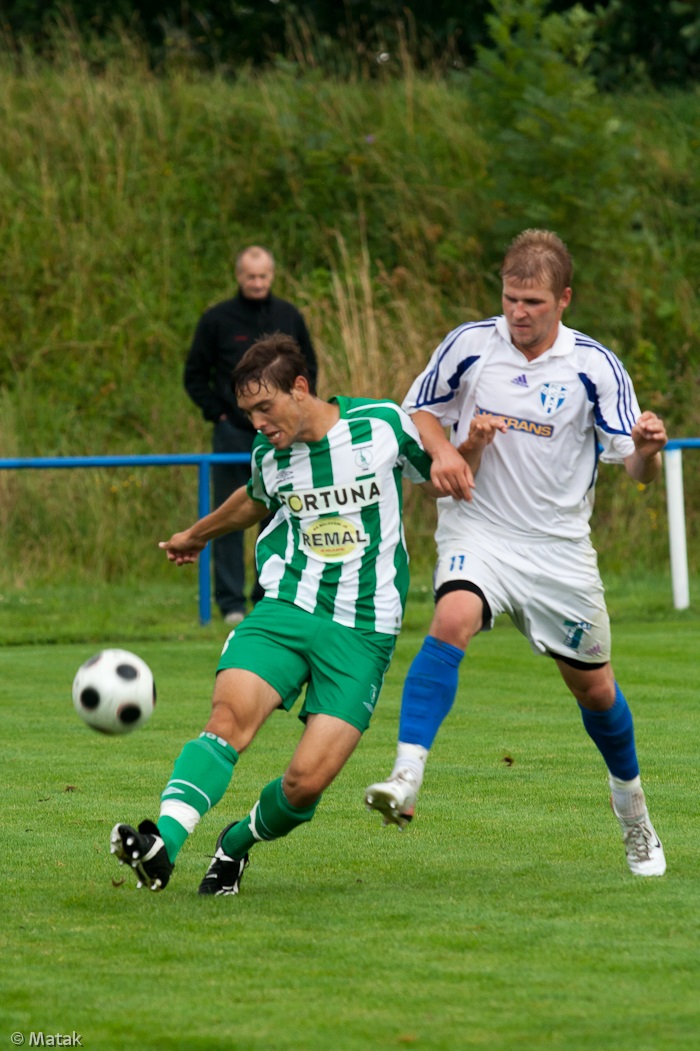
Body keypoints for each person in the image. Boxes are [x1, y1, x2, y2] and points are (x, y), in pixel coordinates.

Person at [365, 228, 668, 877]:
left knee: (596, 691)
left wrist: (648, 449)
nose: (518, 312)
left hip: (558, 550)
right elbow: (417, 410)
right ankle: (406, 775)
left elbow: (637, 470)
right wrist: (445, 452)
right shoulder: (471, 345)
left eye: (532, 301)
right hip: (481, 529)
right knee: (451, 619)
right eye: (510, 298)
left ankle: (633, 813)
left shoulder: (594, 366)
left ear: (564, 299)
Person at [111, 333, 439, 894]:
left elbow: (440, 469)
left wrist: (467, 450)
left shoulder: (381, 426)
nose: (258, 423)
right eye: (248, 413)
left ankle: (235, 844)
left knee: (304, 785)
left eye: (265, 407)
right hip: (285, 608)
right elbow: (254, 499)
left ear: (300, 388)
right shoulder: (271, 456)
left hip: (363, 632)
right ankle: (162, 843)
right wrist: (197, 535)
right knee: (227, 721)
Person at [184, 245, 318, 626]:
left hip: (283, 435)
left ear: (272, 276)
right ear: (239, 276)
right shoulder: (216, 319)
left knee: (279, 512)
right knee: (230, 515)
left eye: (263, 276)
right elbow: (194, 375)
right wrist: (221, 413)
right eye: (250, 277)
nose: (257, 283)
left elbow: (308, 368)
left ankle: (268, 595)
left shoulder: (288, 316)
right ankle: (230, 604)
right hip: (233, 436)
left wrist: (295, 417)